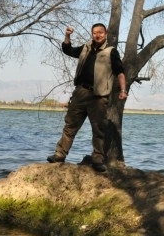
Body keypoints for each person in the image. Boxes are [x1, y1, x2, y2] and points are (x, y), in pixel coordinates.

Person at [47, 23, 128, 172]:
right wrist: (67, 36)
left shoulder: (111, 52)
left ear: (105, 34)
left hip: (99, 96)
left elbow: (120, 72)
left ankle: (98, 159)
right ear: (92, 34)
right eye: (95, 32)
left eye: (100, 32)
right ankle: (59, 154)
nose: (98, 35)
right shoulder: (86, 48)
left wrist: (123, 90)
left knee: (99, 129)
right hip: (81, 92)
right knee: (70, 125)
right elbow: (68, 50)